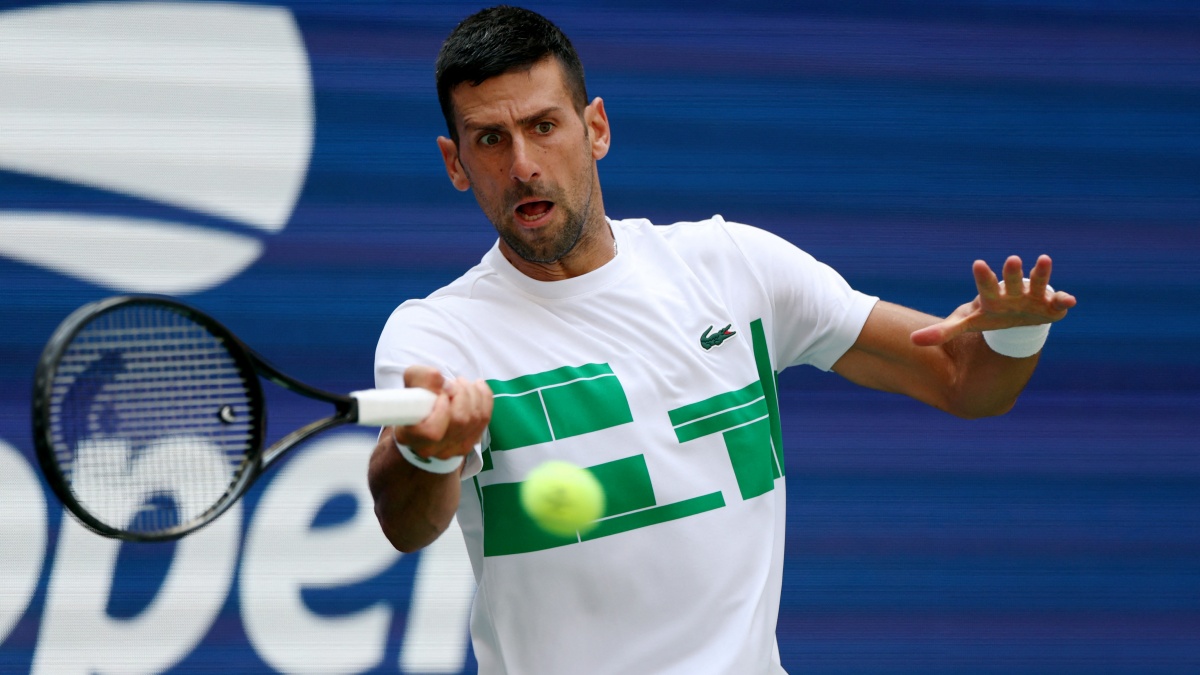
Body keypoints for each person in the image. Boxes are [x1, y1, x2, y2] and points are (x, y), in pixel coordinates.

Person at [368, 6, 1077, 674]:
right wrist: (428, 454)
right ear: (455, 163)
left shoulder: (734, 267)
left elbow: (962, 379)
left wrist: (1016, 334)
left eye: (544, 126)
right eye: (491, 139)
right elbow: (406, 524)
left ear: (597, 128)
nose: (522, 163)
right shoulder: (438, 334)